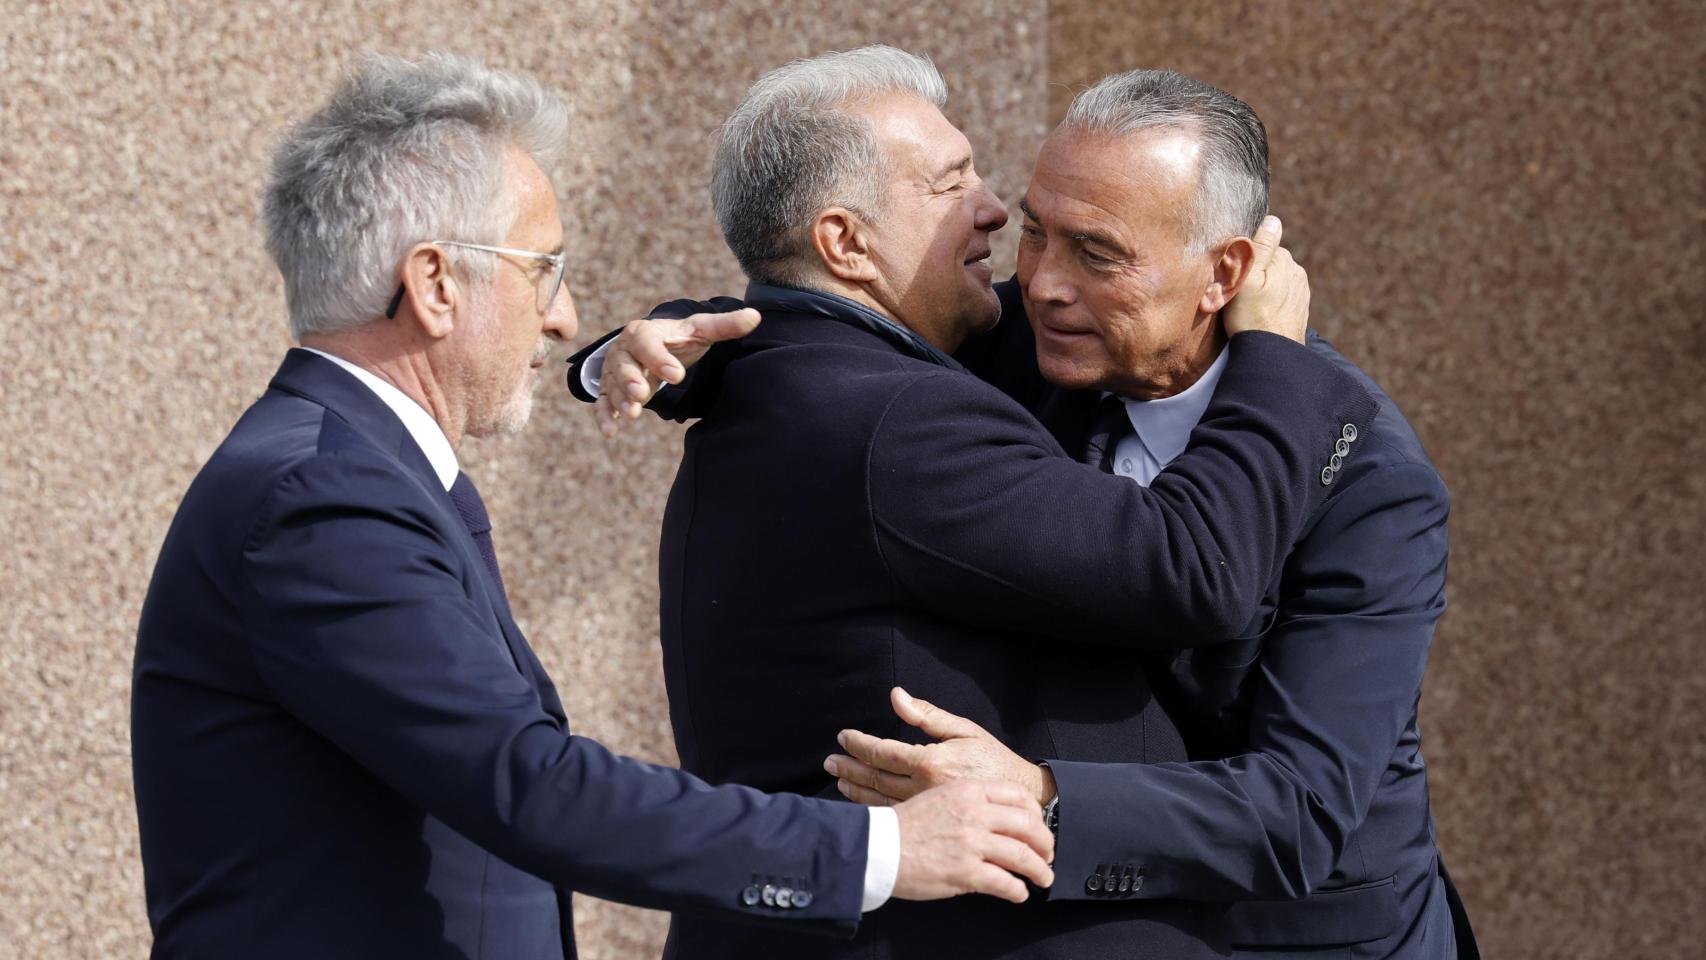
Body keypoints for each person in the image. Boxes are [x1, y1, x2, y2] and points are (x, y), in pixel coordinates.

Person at [128, 51, 1060, 960]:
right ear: (435, 284)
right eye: (544, 268)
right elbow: (531, 785)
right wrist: (888, 850)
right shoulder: (321, 496)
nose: (566, 314)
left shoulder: (349, 470)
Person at [564, 47, 1377, 959]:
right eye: (951, 183)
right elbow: (1195, 572)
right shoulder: (900, 417)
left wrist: (629, 357)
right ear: (845, 244)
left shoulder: (795, 373)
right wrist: (1275, 355)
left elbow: (773, 323)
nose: (993, 214)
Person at [808, 71, 1472, 960]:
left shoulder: (1371, 483)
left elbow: (1301, 813)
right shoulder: (1032, 344)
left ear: (1224, 273)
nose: (1044, 283)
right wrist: (677, 346)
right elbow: (828, 338)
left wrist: (1038, 797)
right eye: (1037, 234)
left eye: (1098, 253)